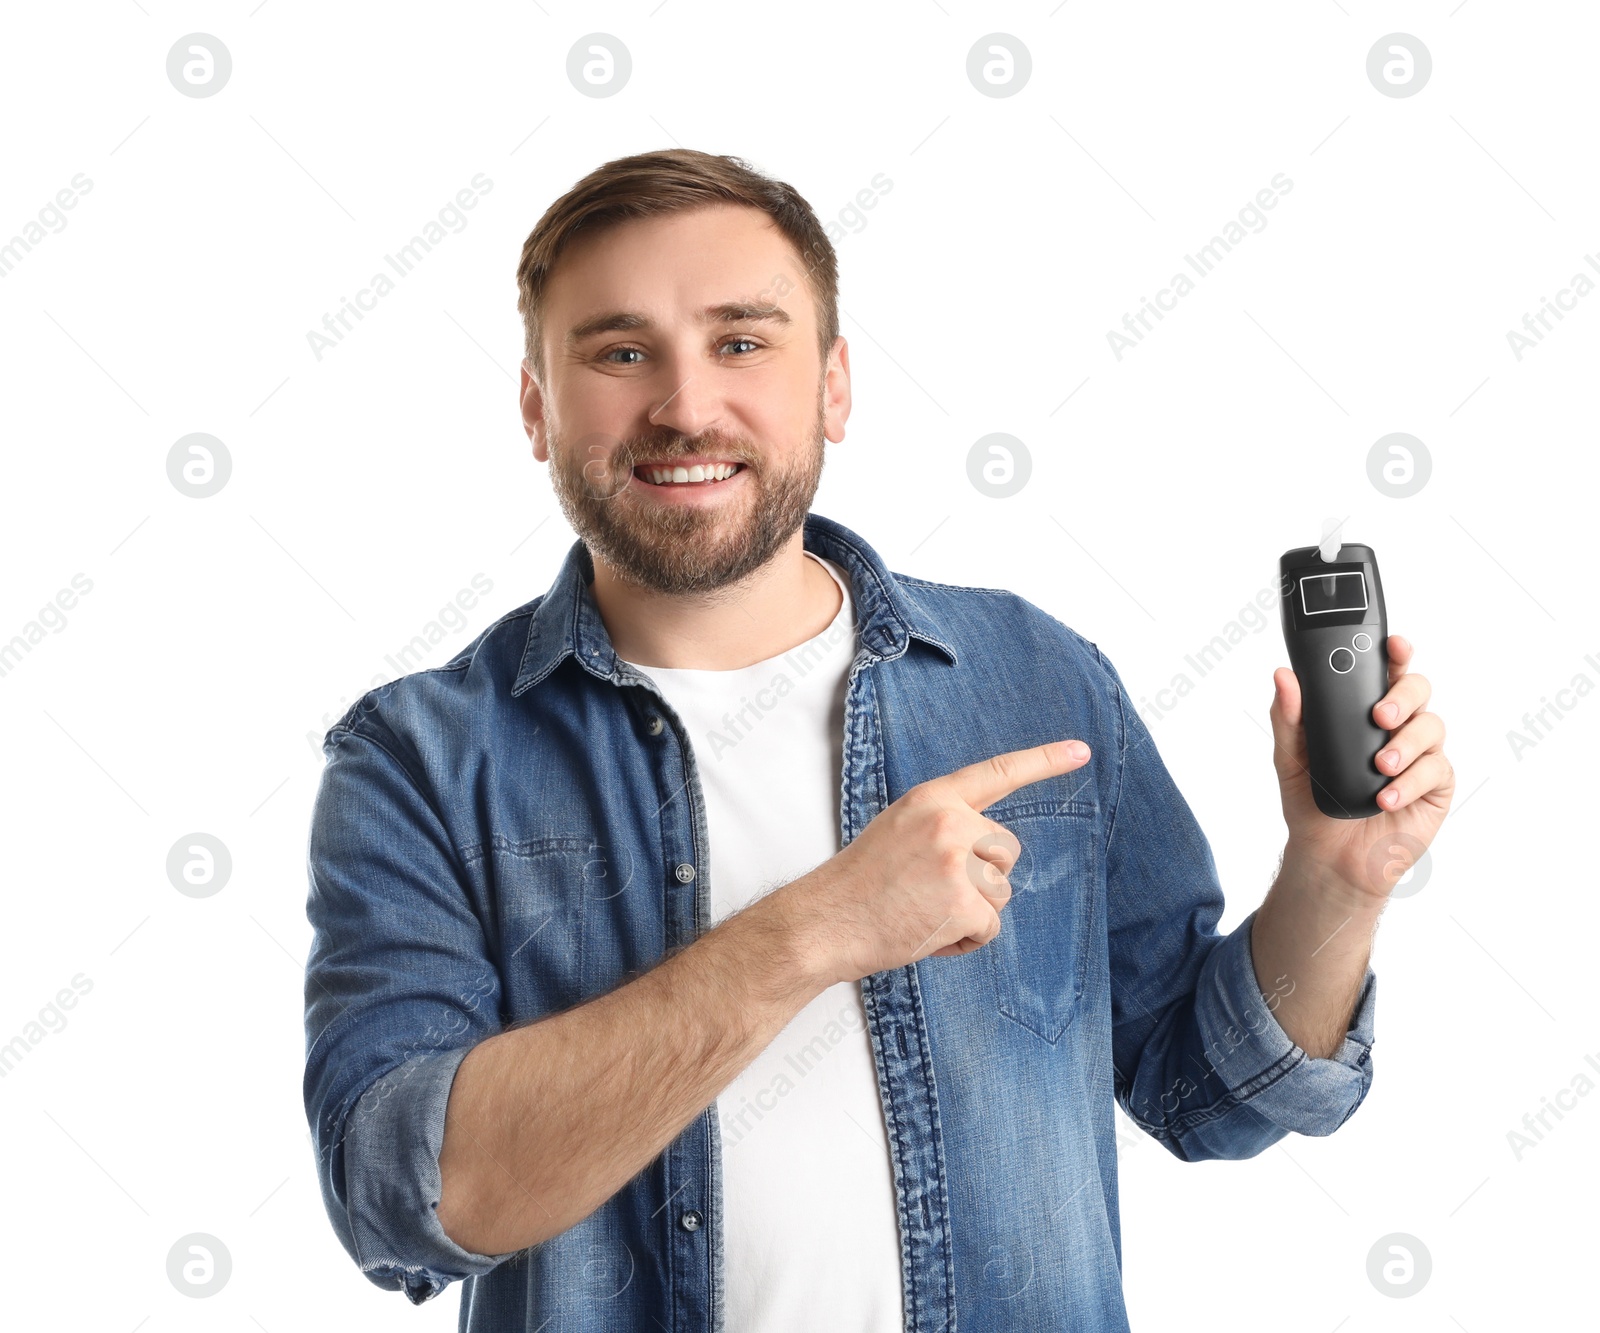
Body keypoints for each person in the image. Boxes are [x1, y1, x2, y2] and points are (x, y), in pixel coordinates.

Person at [302, 148, 1453, 1332]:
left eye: (741, 343)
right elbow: (406, 1197)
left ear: (835, 387)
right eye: (619, 351)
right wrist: (817, 927)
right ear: (538, 407)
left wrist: (1334, 882)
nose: (687, 406)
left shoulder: (1034, 678)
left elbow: (1211, 1095)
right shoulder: (419, 759)